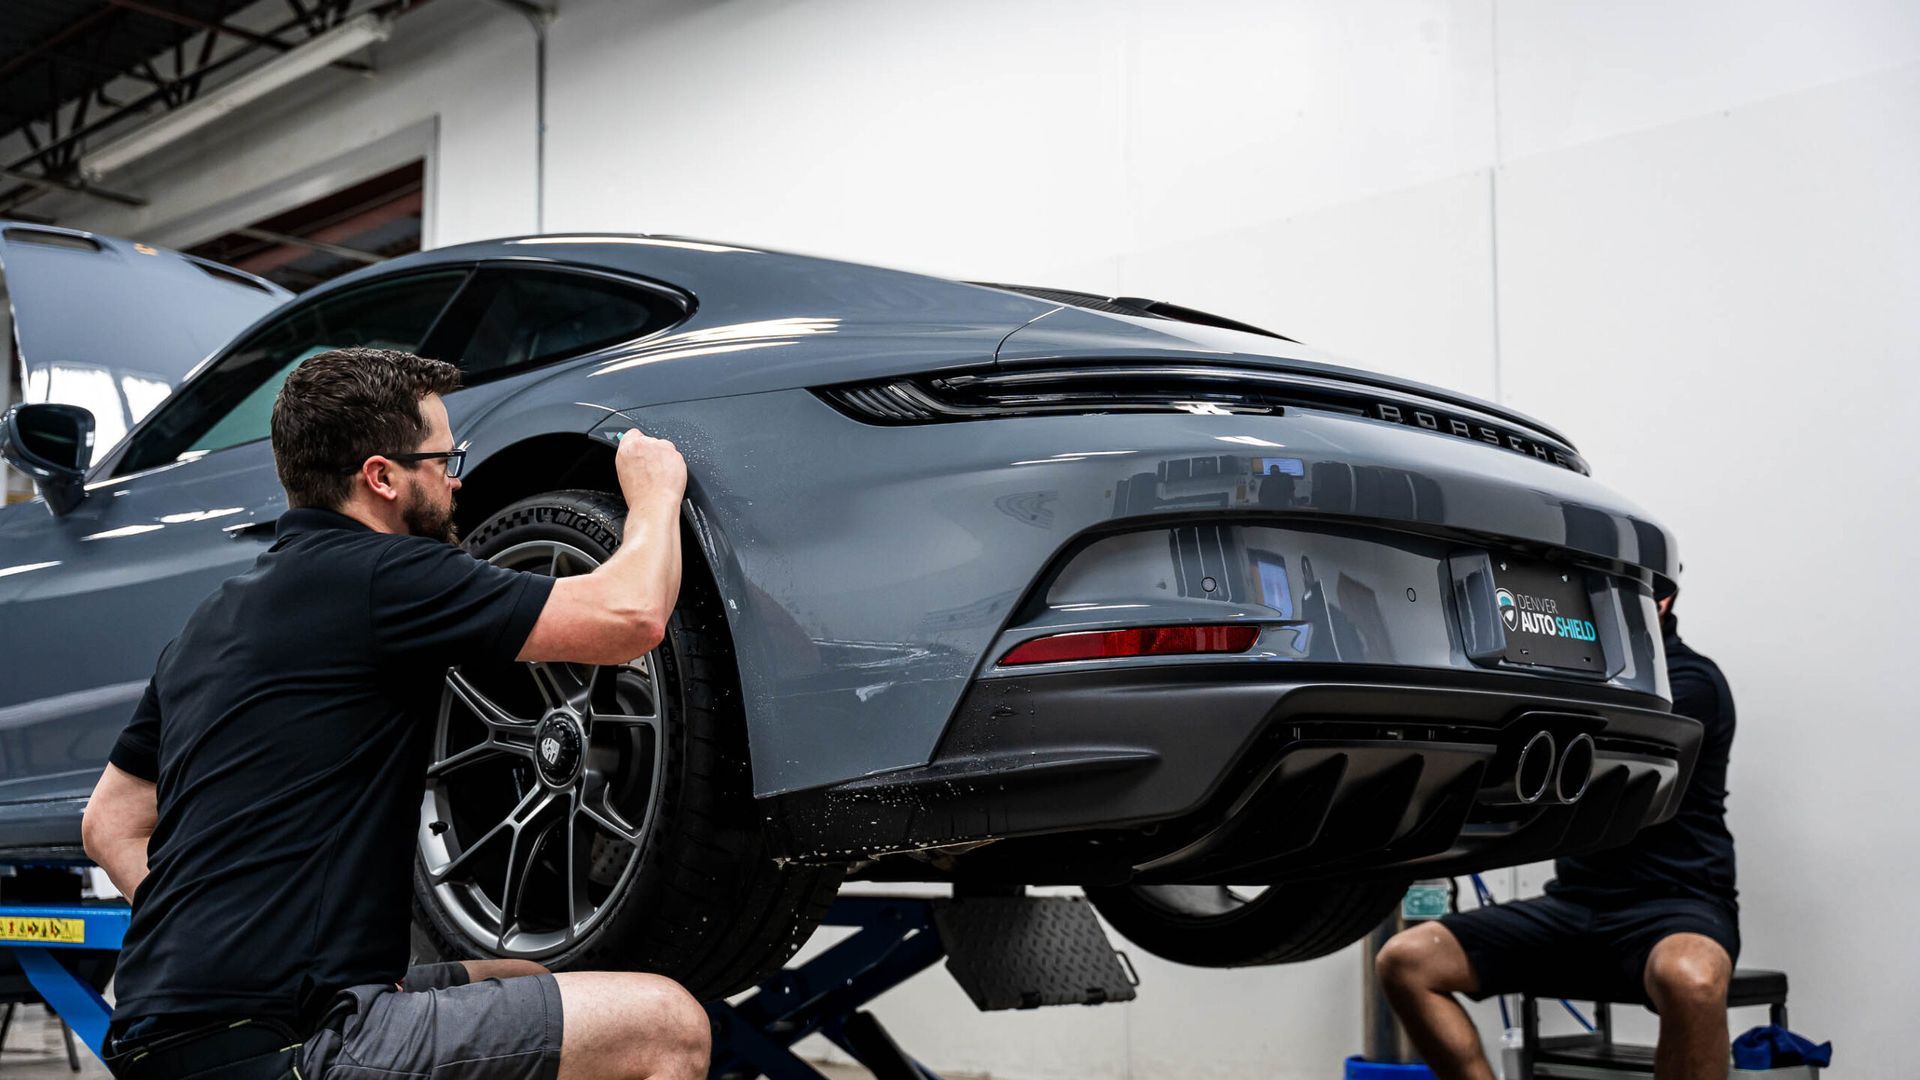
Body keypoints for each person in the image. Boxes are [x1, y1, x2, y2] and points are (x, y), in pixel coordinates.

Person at [81, 347, 709, 1080]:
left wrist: (224, 944)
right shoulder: (384, 575)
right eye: (444, 458)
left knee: (522, 982)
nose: (458, 477)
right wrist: (655, 494)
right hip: (291, 1043)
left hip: (163, 1041)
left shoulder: (208, 624)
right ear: (381, 478)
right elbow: (629, 617)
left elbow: (108, 824)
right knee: (669, 1026)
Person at [1376, 590, 1739, 1080]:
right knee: (1405, 960)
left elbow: (1594, 759)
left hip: (1674, 906)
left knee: (1691, 980)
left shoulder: (1690, 683)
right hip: (1575, 905)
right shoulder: (1578, 677)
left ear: (1663, 602)